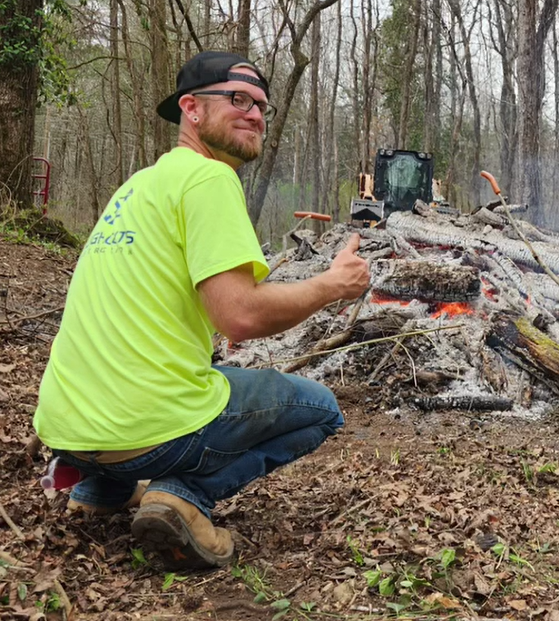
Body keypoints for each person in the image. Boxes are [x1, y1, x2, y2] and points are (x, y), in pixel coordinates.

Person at [33, 52, 371, 570]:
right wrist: (332, 284)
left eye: (261, 105)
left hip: (66, 425)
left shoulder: (138, 186)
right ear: (191, 108)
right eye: (237, 99)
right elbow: (241, 318)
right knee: (320, 409)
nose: (255, 113)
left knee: (210, 373)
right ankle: (183, 498)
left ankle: (100, 489)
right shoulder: (210, 180)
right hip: (143, 427)